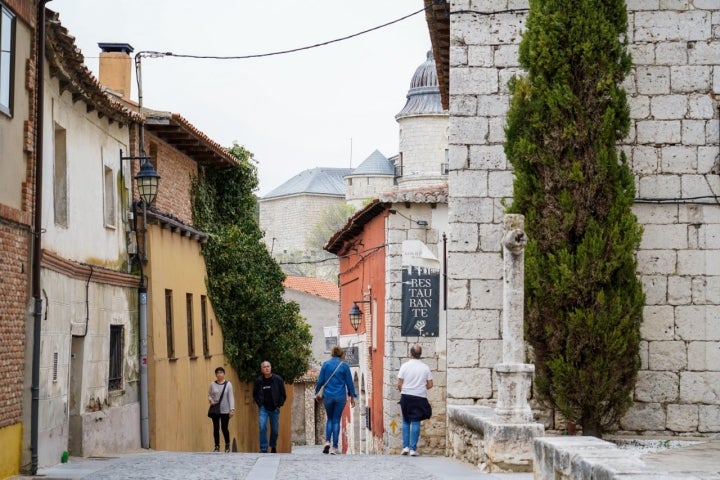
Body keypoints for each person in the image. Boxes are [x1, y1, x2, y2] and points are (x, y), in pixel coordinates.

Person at [315, 345, 357, 455]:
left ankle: (327, 441)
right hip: (340, 397)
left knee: (329, 419)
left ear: (332, 353)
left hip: (328, 396)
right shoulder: (344, 366)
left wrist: (317, 393)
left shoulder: (325, 365)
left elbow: (320, 381)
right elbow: (349, 383)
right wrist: (352, 396)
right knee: (336, 420)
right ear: (341, 354)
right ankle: (334, 447)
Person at [397, 344, 433, 457]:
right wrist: (421, 388)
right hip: (419, 396)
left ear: (410, 354)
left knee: (406, 420)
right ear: (420, 355)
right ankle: (413, 449)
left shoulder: (404, 366)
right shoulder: (425, 367)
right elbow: (430, 384)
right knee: (416, 421)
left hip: (406, 395)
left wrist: (403, 390)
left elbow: (399, 383)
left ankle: (405, 447)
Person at [252, 361, 286, 453]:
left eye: (268, 366)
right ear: (261, 369)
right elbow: (255, 394)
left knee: (274, 429)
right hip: (263, 408)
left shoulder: (278, 379)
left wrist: (279, 405)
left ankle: (273, 446)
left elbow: (283, 394)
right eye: (264, 367)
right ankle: (263, 448)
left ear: (271, 368)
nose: (266, 368)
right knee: (262, 426)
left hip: (275, 408)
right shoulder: (259, 381)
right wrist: (259, 403)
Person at [208, 366, 235, 453]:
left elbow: (231, 397)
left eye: (221, 372)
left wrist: (232, 409)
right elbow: (209, 394)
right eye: (218, 373)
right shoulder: (212, 384)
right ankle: (217, 446)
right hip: (215, 409)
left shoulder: (228, 384)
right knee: (216, 428)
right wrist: (211, 400)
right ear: (216, 374)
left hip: (225, 409)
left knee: (224, 428)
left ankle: (227, 445)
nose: (219, 374)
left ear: (224, 374)